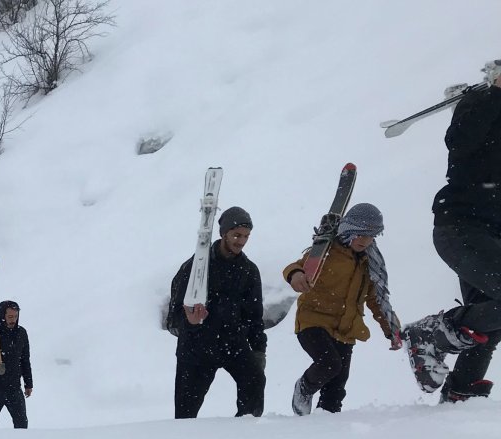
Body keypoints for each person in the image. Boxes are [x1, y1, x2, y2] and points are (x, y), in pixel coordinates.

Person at [403, 64, 501, 401]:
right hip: (460, 227)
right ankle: (429, 335)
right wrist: (493, 93)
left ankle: (459, 394)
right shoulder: (482, 103)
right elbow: (457, 141)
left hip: (489, 235)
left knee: (492, 316)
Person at [283, 204, 401, 415]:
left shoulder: (369, 263)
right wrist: (296, 275)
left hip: (346, 330)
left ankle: (328, 427)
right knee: (329, 364)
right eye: (360, 235)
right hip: (313, 321)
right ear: (348, 230)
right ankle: (304, 387)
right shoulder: (327, 250)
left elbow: (376, 299)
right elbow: (296, 267)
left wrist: (391, 329)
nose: (364, 241)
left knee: (336, 388)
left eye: (370, 236)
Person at [167, 206, 267, 418]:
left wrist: (258, 352)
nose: (241, 241)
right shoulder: (194, 268)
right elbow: (174, 316)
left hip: (233, 343)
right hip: (196, 348)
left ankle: (246, 435)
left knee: (255, 380)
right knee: (185, 416)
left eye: (246, 236)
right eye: (236, 235)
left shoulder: (249, 270)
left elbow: (254, 316)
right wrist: (190, 322)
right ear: (223, 233)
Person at [0, 302, 32, 429]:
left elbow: (25, 360)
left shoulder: (21, 333)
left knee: (22, 424)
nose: (13, 320)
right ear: (2, 316)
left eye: (15, 316)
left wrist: (28, 383)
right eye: (10, 317)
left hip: (13, 387)